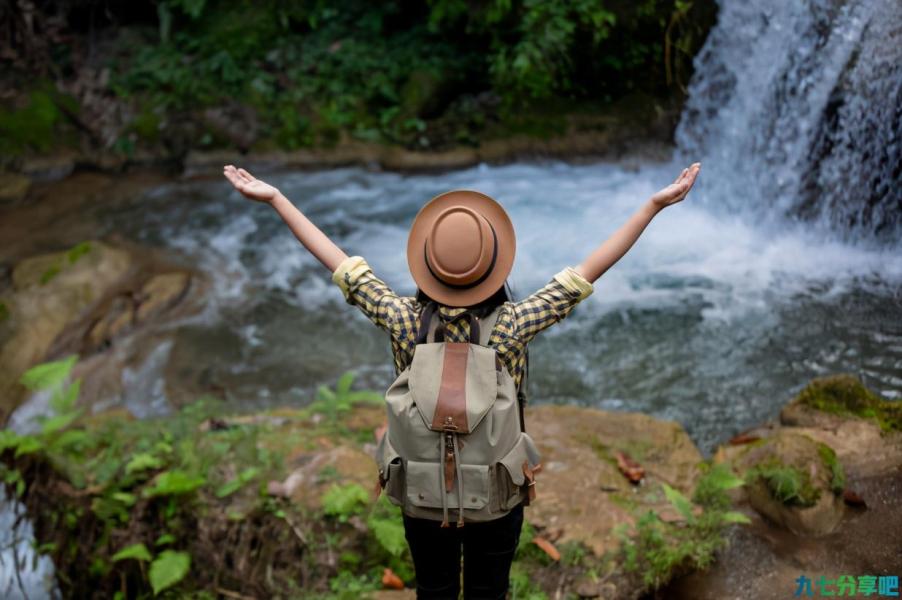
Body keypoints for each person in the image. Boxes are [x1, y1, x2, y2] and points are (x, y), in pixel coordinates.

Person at [223, 162, 701, 599]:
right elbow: (587, 272)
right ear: (495, 268)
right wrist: (652, 206)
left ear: (426, 265)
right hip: (495, 495)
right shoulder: (515, 324)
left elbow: (340, 263)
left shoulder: (401, 319)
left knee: (433, 590)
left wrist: (276, 198)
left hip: (421, 493)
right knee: (489, 592)